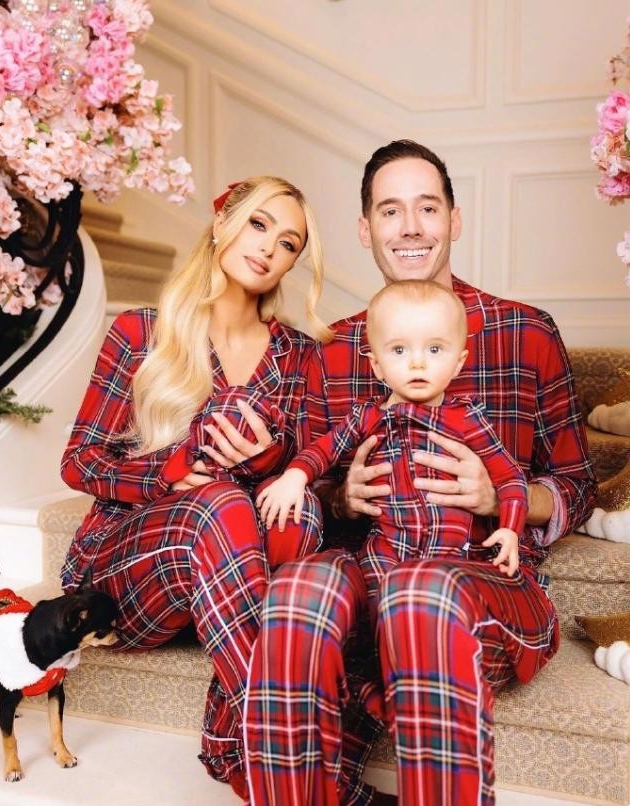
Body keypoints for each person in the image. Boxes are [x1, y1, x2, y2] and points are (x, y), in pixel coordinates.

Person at [243, 141, 597, 806]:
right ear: (365, 229)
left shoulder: (525, 333)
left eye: (427, 208)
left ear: (454, 220)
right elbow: (308, 483)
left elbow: (577, 485)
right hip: (372, 569)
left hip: (479, 581)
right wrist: (340, 498)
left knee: (420, 592)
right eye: (390, 211)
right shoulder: (334, 350)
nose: (409, 227)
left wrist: (502, 498)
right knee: (297, 589)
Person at [59, 176, 331, 798]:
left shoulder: (296, 356)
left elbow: (312, 472)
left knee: (300, 513)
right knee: (217, 501)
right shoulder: (142, 331)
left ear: (293, 263)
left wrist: (270, 459)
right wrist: (170, 470)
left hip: (232, 586)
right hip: (129, 573)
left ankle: (242, 743)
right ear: (223, 222)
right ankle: (293, 760)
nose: (268, 248)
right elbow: (79, 464)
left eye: (288, 243)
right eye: (258, 224)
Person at [257, 279, 527, 621]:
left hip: (450, 553)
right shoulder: (367, 416)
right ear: (377, 366)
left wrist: (510, 528)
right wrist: (294, 477)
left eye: (434, 349)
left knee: (441, 605)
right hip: (386, 548)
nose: (417, 363)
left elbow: (511, 479)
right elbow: (323, 450)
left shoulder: (467, 418)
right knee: (373, 604)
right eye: (399, 350)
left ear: (458, 363)